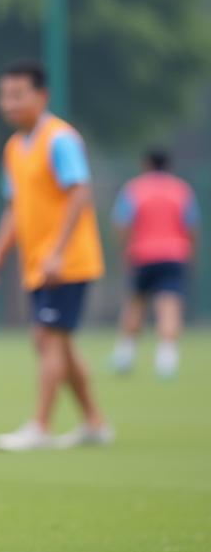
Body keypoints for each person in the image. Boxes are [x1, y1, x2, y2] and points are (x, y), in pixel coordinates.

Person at [0, 62, 113, 452]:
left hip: (66, 263)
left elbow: (80, 192)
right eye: (5, 96)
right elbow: (14, 208)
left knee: (47, 338)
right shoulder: (14, 148)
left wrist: (56, 251)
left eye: (19, 95)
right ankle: (94, 423)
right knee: (60, 344)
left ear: (42, 96)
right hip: (40, 264)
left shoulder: (60, 139)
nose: (10, 104)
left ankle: (40, 426)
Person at [109, 148, 199, 379]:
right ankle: (166, 360)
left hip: (142, 254)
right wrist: (191, 252)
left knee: (136, 303)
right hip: (174, 254)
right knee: (169, 305)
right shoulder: (181, 190)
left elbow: (122, 222)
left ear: (146, 165)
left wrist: (123, 250)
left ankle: (125, 355)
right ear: (168, 166)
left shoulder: (135, 189)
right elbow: (191, 225)